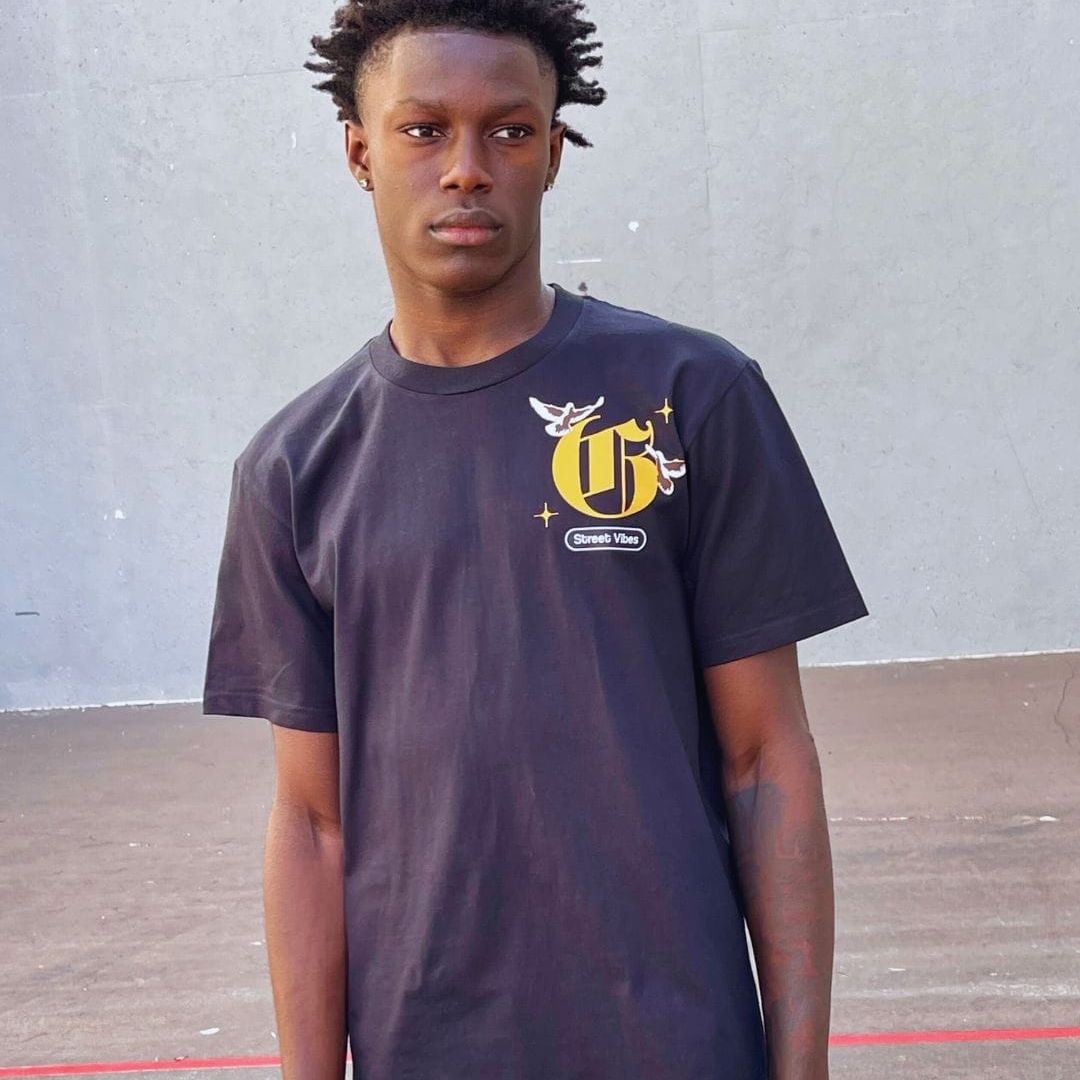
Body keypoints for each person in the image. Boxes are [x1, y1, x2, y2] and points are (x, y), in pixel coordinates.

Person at [201, 2, 870, 1077]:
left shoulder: (691, 395)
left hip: (679, 1039)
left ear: (553, 154)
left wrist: (801, 1069)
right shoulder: (293, 467)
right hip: (426, 1042)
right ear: (360, 154)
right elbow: (313, 826)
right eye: (424, 130)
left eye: (509, 131)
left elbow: (766, 761)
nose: (467, 168)